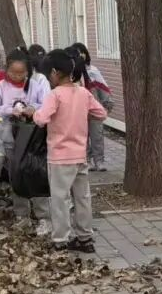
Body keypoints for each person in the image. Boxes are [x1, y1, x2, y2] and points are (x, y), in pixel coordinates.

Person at [34, 49, 107, 251]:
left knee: (60, 199)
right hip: (80, 155)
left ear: (55, 72)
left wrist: (33, 113)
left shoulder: (55, 95)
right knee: (82, 198)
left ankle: (61, 239)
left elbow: (41, 119)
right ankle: (85, 238)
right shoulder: (83, 93)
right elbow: (101, 113)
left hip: (59, 157)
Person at [0, 48, 52, 233]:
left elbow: (47, 105)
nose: (17, 76)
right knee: (16, 177)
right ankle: (21, 214)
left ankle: (43, 216)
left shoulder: (36, 85)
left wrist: (33, 108)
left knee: (37, 175)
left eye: (21, 73)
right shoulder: (0, 87)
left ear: (28, 71)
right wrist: (9, 110)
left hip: (33, 140)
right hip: (10, 139)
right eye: (13, 72)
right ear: (6, 69)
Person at [73, 42, 113, 171]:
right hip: (79, 111)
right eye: (77, 54)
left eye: (82, 52)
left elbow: (103, 88)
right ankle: (87, 160)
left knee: (97, 136)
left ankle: (99, 161)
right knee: (83, 137)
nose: (80, 56)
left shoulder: (93, 70)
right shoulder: (72, 73)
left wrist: (106, 104)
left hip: (94, 109)